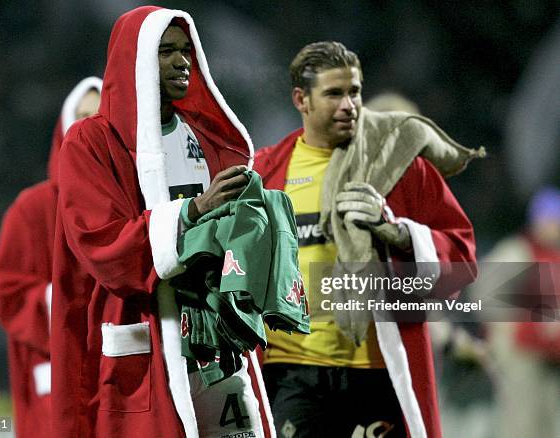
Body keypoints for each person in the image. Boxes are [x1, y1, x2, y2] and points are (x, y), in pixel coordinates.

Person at [51, 6, 273, 438]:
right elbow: (103, 244)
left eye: (186, 50)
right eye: (165, 51)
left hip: (218, 344)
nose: (182, 61)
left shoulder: (206, 136)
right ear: (132, 61)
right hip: (148, 344)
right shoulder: (92, 140)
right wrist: (193, 210)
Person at [254, 41, 479, 437]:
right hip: (293, 375)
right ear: (300, 100)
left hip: (376, 377)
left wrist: (401, 234)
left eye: (354, 91)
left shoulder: (404, 170)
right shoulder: (266, 172)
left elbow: (462, 258)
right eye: (334, 94)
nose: (349, 105)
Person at [0, 76, 102, 438]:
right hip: (53, 381)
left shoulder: (135, 202)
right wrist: (66, 302)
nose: (88, 127)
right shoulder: (31, 209)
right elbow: (7, 293)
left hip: (120, 379)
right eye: (82, 116)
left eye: (101, 117)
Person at [475, 186, 560, 438]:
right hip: (518, 353)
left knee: (548, 421)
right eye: (549, 220)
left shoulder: (554, 255)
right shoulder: (518, 250)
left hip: (549, 354)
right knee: (521, 423)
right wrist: (507, 326)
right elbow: (483, 291)